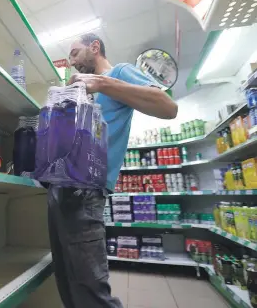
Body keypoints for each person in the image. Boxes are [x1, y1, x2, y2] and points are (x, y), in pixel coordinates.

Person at [47, 33, 177, 308]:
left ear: (95, 48)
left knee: (91, 290)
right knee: (68, 283)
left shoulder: (120, 73)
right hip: (62, 187)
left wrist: (101, 83)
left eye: (74, 53)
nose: (71, 62)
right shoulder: (83, 93)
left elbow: (168, 107)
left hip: (86, 191)